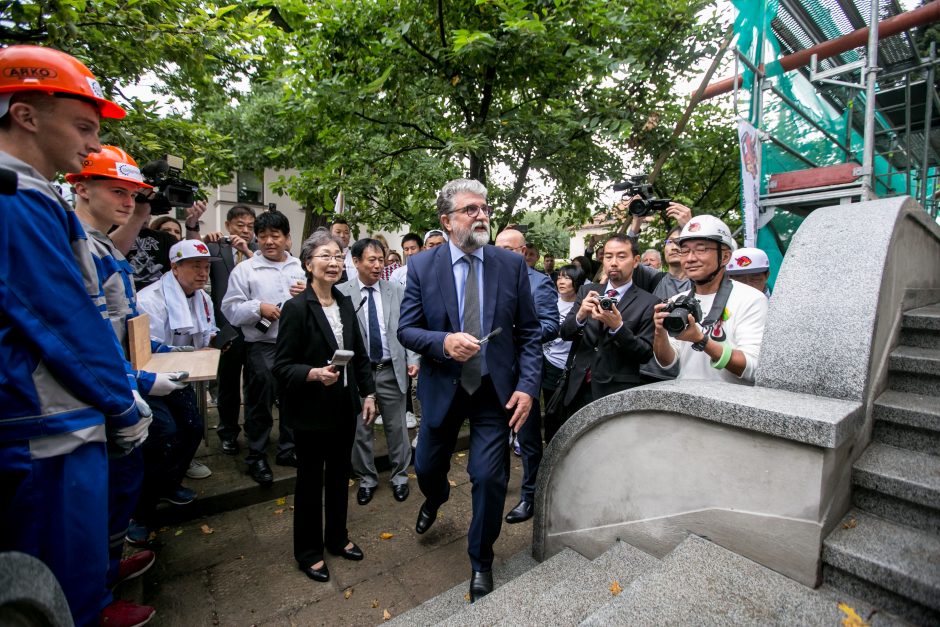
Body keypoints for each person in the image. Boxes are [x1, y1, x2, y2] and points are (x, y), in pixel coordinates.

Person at [0, 45, 154, 627]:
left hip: (58, 410)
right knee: (54, 575)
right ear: (27, 115)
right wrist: (122, 399)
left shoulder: (30, 194)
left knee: (75, 556)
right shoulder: (15, 197)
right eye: (83, 126)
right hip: (46, 419)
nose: (92, 145)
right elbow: (62, 320)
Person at [68, 147, 203, 615]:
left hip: (120, 380)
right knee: (92, 503)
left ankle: (106, 573)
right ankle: (94, 602)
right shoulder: (72, 245)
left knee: (118, 488)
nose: (128, 203)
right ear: (81, 188)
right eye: (117, 191)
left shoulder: (102, 244)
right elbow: (80, 338)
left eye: (134, 195)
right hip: (103, 390)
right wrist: (139, 380)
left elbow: (125, 329)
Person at [398, 178, 542, 602]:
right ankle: (436, 496)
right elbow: (407, 329)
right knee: (425, 466)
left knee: (489, 477)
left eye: (484, 208)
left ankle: (481, 560)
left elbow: (530, 334)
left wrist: (528, 386)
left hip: (493, 393)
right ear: (447, 221)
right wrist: (442, 342)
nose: (482, 216)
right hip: (443, 387)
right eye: (470, 210)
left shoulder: (510, 265)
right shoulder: (423, 267)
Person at [272, 230, 377, 583]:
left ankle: (337, 538)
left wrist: (369, 394)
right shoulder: (296, 308)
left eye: (337, 256)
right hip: (310, 411)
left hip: (343, 408)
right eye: (325, 256)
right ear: (307, 264)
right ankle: (308, 552)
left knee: (338, 477)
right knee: (309, 482)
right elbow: (282, 366)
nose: (333, 263)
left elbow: (360, 355)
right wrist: (314, 374)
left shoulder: (345, 303)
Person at [132, 240, 219, 545]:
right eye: (195, 266)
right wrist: (189, 353)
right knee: (163, 433)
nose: (202, 273)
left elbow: (207, 330)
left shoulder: (202, 298)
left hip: (181, 376)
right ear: (175, 267)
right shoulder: (150, 299)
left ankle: (168, 484)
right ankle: (138, 513)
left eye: (206, 266)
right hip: (148, 379)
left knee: (194, 428)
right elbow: (147, 347)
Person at [222, 209, 305, 483]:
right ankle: (256, 456)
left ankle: (287, 449)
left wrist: (307, 295)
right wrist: (259, 308)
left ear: (286, 238)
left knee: (293, 399)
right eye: (263, 236)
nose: (269, 241)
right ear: (257, 239)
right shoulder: (245, 270)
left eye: (275, 236)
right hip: (262, 345)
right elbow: (230, 309)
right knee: (260, 401)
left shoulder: (299, 267)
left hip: (295, 345)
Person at [338, 239, 419, 505]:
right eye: (371, 260)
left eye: (380, 260)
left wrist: (412, 358)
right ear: (356, 261)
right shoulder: (341, 293)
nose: (377, 265)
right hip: (359, 374)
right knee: (362, 430)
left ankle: (399, 477)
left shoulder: (395, 290)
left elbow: (407, 327)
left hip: (391, 370)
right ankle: (367, 479)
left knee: (398, 429)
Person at [652, 215, 768, 384]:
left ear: (726, 257)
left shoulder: (751, 299)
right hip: (686, 399)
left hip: (731, 404)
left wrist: (701, 340)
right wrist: (659, 332)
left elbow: (751, 367)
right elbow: (666, 362)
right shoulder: (677, 301)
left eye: (701, 249)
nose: (690, 258)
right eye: (685, 251)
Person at [493, 229, 559, 525]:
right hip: (491, 373)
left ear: (522, 253)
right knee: (495, 434)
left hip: (524, 373)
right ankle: (495, 485)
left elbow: (550, 325)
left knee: (528, 439)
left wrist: (517, 333)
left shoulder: (539, 283)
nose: (503, 253)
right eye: (498, 247)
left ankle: (530, 495)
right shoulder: (485, 279)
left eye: (509, 248)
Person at [560, 234, 658, 416]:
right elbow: (565, 333)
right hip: (578, 387)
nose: (614, 262)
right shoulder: (587, 291)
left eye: (621, 257)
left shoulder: (649, 302)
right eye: (608, 256)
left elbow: (645, 353)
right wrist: (580, 315)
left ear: (636, 261)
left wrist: (619, 327)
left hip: (617, 391)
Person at [203, 205, 258, 456]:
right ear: (228, 226)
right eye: (240, 225)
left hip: (258, 328)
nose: (245, 230)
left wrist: (247, 252)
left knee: (256, 383)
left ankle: (255, 430)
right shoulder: (215, 248)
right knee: (227, 384)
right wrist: (202, 238)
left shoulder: (259, 252)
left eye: (250, 226)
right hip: (227, 328)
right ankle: (228, 432)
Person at [542, 264, 587, 443]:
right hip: (548, 361)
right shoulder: (549, 300)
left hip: (571, 364)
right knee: (551, 406)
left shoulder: (582, 305)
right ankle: (551, 445)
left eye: (567, 278)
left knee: (568, 407)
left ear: (577, 281)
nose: (561, 281)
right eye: (559, 277)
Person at [330, 216, 356, 282]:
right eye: (338, 232)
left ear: (349, 236)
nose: (342, 235)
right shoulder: (323, 256)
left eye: (346, 233)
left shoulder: (356, 257)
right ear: (330, 235)